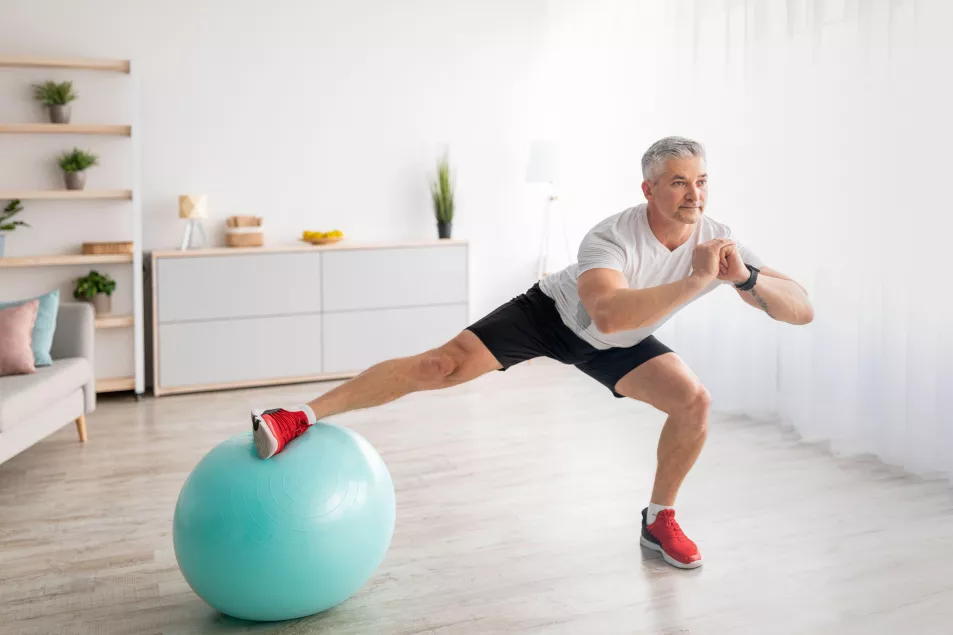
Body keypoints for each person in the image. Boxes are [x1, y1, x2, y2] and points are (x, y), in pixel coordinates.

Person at [250, 136, 814, 570]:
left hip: (618, 344)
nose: (694, 195)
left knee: (694, 402)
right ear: (648, 190)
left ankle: (658, 518)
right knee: (438, 365)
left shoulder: (717, 237)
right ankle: (299, 416)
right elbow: (608, 313)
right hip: (551, 316)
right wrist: (696, 281)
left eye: (701, 181)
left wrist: (746, 281)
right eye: (677, 182)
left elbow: (801, 306)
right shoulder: (610, 235)